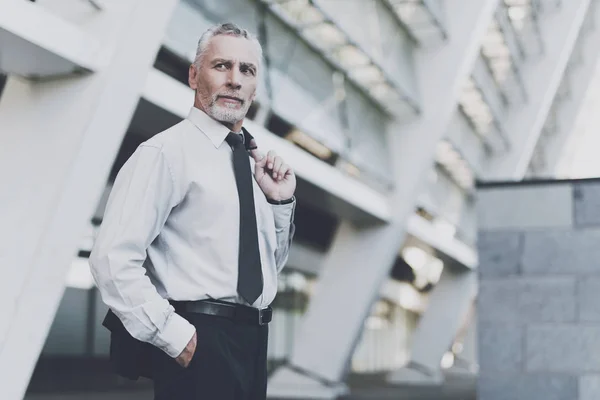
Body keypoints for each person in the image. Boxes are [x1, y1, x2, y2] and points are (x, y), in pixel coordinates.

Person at [89, 22, 296, 400]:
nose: (235, 80)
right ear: (193, 74)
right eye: (221, 66)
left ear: (255, 86)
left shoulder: (255, 166)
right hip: (201, 338)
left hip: (253, 342)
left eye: (246, 70)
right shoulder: (165, 153)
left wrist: (280, 203)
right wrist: (178, 338)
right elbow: (111, 258)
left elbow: (267, 268)